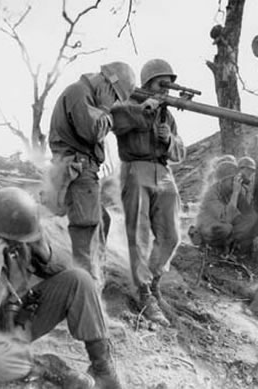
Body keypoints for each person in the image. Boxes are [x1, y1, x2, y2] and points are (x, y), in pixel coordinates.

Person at [0, 187, 122, 389]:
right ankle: (46, 368)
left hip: (16, 319)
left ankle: (103, 369)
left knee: (78, 280)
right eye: (13, 242)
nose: (17, 247)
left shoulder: (18, 241)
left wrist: (43, 252)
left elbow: (61, 271)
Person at [111, 59, 186, 326]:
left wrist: (170, 140)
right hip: (136, 170)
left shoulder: (168, 114)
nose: (166, 89)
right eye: (160, 83)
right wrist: (144, 111)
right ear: (146, 83)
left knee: (172, 234)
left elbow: (180, 152)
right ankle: (143, 293)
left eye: (169, 84)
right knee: (139, 234)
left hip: (163, 172)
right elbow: (115, 121)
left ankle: (154, 282)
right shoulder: (130, 103)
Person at [48, 61, 136, 285]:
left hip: (81, 170)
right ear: (108, 83)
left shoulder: (85, 94)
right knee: (86, 230)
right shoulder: (80, 93)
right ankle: (88, 287)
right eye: (115, 96)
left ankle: (94, 274)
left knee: (102, 220)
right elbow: (92, 131)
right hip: (78, 171)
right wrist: (106, 109)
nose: (114, 102)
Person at [195, 160, 258, 253]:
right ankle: (212, 246)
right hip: (207, 229)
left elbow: (249, 214)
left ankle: (229, 243)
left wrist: (247, 193)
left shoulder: (232, 190)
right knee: (226, 228)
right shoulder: (212, 194)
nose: (234, 182)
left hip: (223, 225)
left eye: (235, 179)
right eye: (231, 179)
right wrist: (236, 193)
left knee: (250, 218)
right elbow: (226, 218)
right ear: (221, 181)